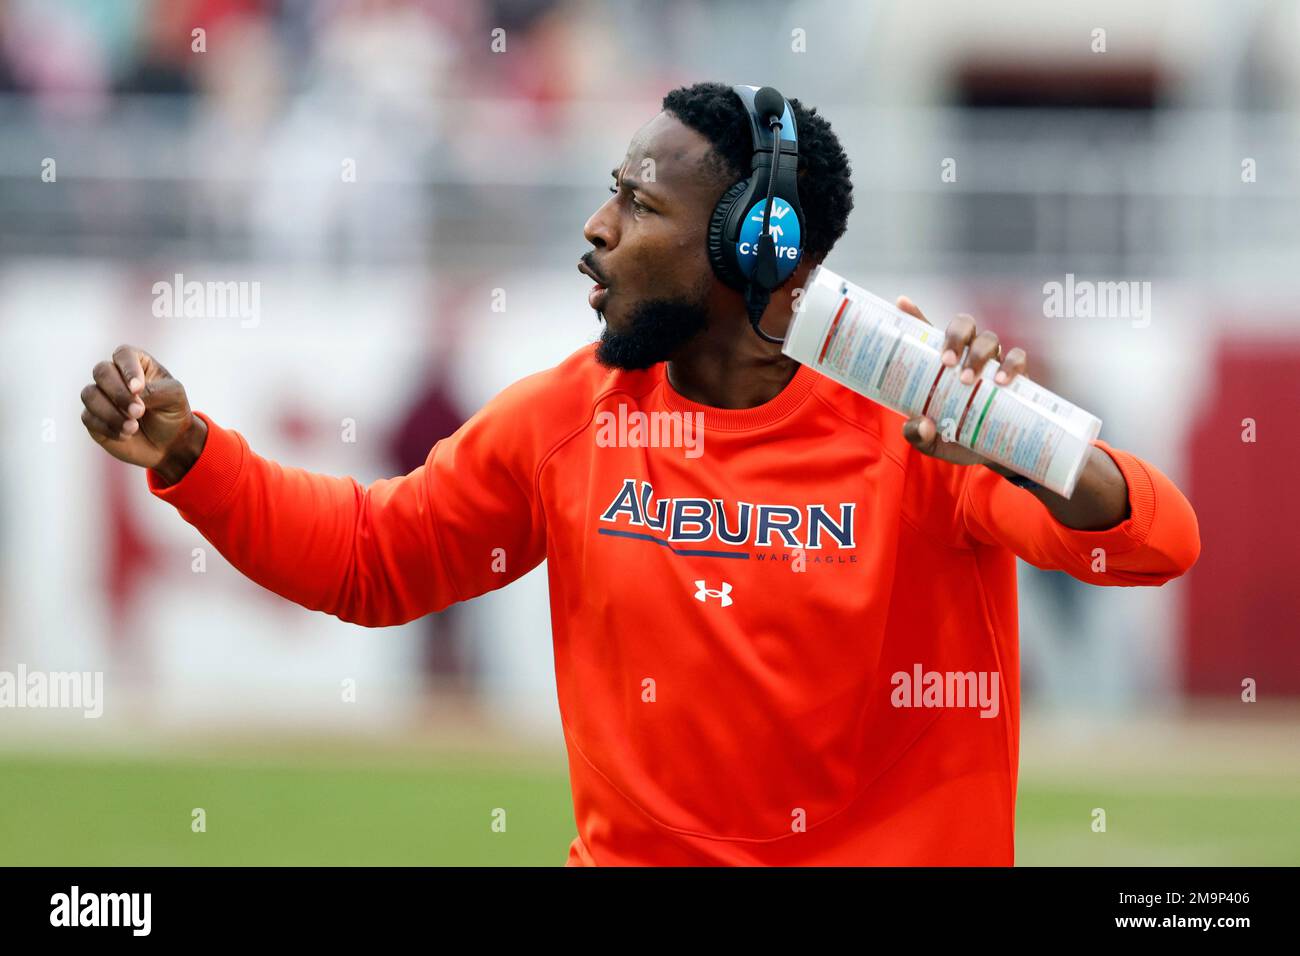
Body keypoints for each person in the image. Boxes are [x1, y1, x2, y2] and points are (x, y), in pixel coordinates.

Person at [79, 81, 1200, 865]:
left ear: (752, 250)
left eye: (640, 204)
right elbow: (374, 558)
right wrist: (193, 456)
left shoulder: (920, 421)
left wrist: (1019, 443)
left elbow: (1155, 539)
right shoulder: (571, 416)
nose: (596, 226)